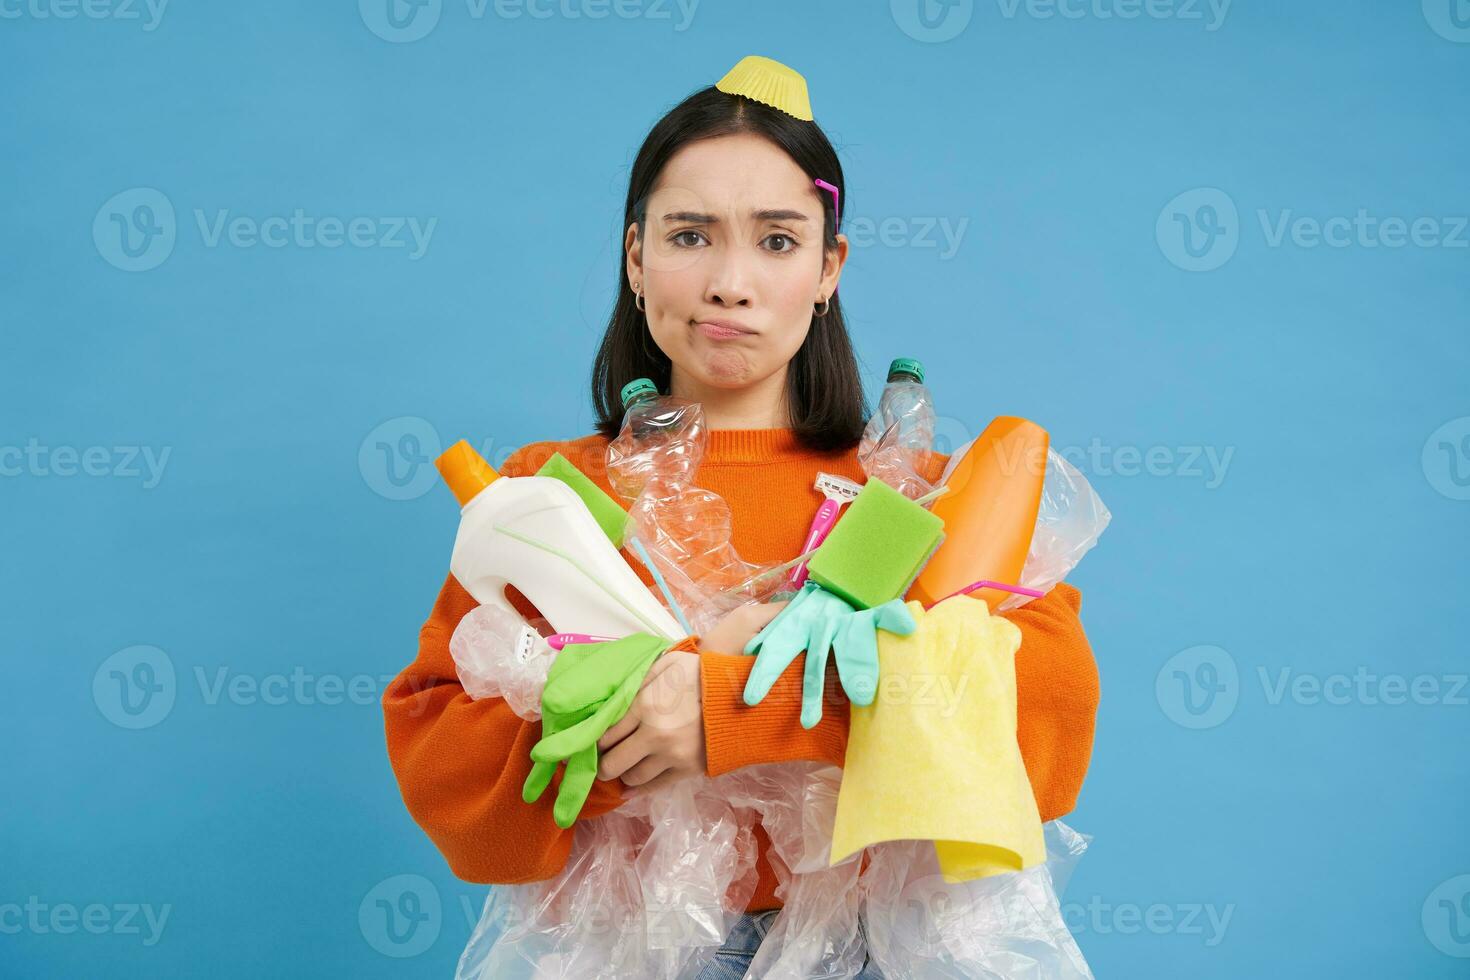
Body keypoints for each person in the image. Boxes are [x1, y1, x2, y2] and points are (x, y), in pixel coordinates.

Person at [382, 55, 1100, 978]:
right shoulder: (550, 496)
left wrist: (732, 715)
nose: (730, 282)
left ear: (829, 267)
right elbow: (442, 761)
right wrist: (629, 735)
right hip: (631, 954)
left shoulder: (921, 499)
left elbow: (1046, 725)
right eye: (689, 236)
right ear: (635, 257)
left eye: (776, 240)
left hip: (881, 953)